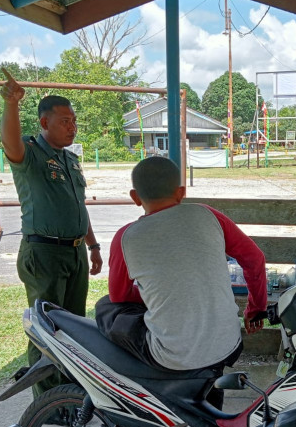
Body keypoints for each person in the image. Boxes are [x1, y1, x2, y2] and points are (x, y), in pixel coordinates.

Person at [96, 156, 266, 385]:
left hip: (170, 357)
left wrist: (157, 298)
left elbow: (119, 296)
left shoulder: (125, 238)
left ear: (135, 197)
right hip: (230, 345)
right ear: (181, 192)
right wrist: (255, 309)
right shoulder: (208, 215)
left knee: (106, 307)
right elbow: (255, 259)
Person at [0, 69, 103, 396]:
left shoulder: (70, 160)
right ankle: (48, 401)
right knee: (46, 329)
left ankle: (70, 391)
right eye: (64, 121)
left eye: (73, 121)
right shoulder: (31, 154)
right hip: (44, 253)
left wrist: (93, 245)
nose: (72, 126)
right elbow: (10, 144)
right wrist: (12, 105)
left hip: (74, 253)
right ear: (44, 123)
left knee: (73, 325)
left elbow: (77, 205)